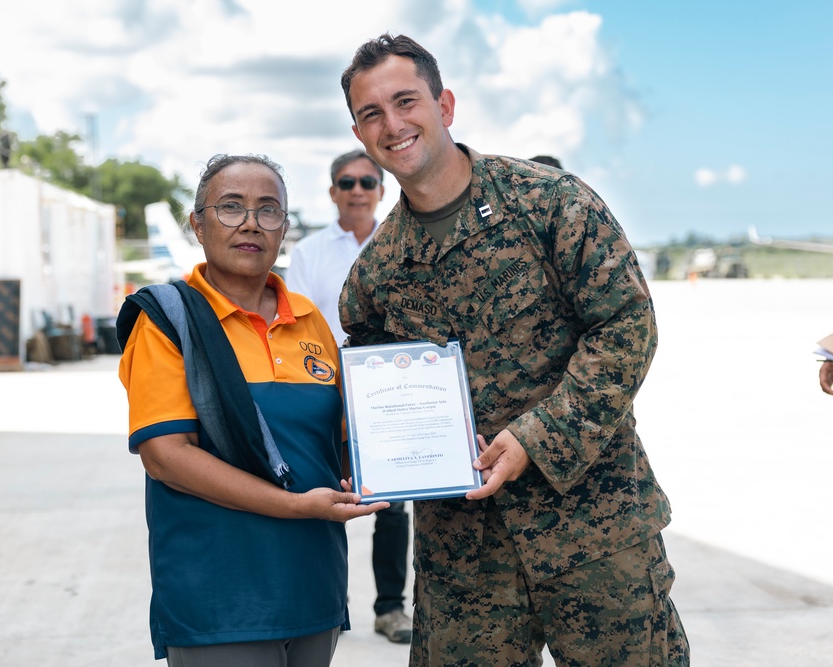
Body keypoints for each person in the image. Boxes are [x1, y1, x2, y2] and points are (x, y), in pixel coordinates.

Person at [338, 34, 690, 666]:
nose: (392, 124)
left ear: (444, 105)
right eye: (371, 113)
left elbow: (626, 327)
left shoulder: (551, 204)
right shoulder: (377, 274)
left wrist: (536, 436)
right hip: (464, 561)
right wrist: (364, 454)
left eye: (406, 101)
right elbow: (367, 392)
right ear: (360, 133)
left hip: (594, 528)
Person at [117, 153, 386, 665]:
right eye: (230, 207)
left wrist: (425, 454)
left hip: (313, 585)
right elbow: (166, 456)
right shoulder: (168, 323)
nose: (249, 224)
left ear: (284, 227)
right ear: (198, 224)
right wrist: (294, 505)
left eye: (268, 210)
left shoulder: (311, 323)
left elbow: (346, 443)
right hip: (219, 597)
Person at [286, 149, 413, 644]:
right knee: (318, 498)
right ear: (333, 191)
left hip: (388, 393)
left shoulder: (405, 245)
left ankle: (390, 609)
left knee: (393, 506)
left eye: (367, 181)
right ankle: (323, 608)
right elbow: (295, 325)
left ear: (382, 190)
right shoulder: (310, 252)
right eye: (347, 182)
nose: (357, 190)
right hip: (325, 392)